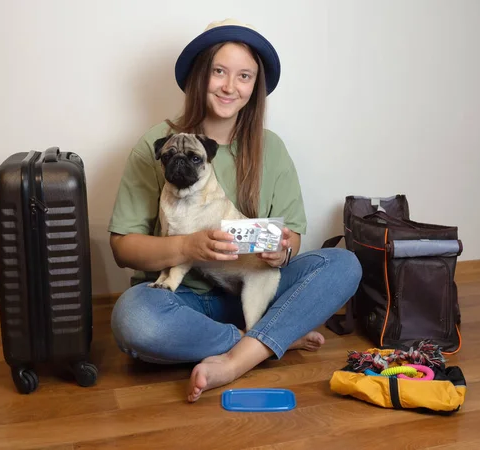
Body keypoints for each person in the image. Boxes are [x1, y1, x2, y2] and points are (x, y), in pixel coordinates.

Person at [108, 18, 362, 403]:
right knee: (133, 316)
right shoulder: (155, 143)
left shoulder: (271, 148)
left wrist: (284, 248)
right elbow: (122, 247)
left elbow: (291, 235)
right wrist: (188, 247)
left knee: (345, 265)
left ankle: (234, 359)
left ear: (255, 87)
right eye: (219, 71)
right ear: (200, 76)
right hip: (184, 301)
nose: (230, 86)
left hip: (258, 286)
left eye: (244, 76)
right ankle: (265, 341)